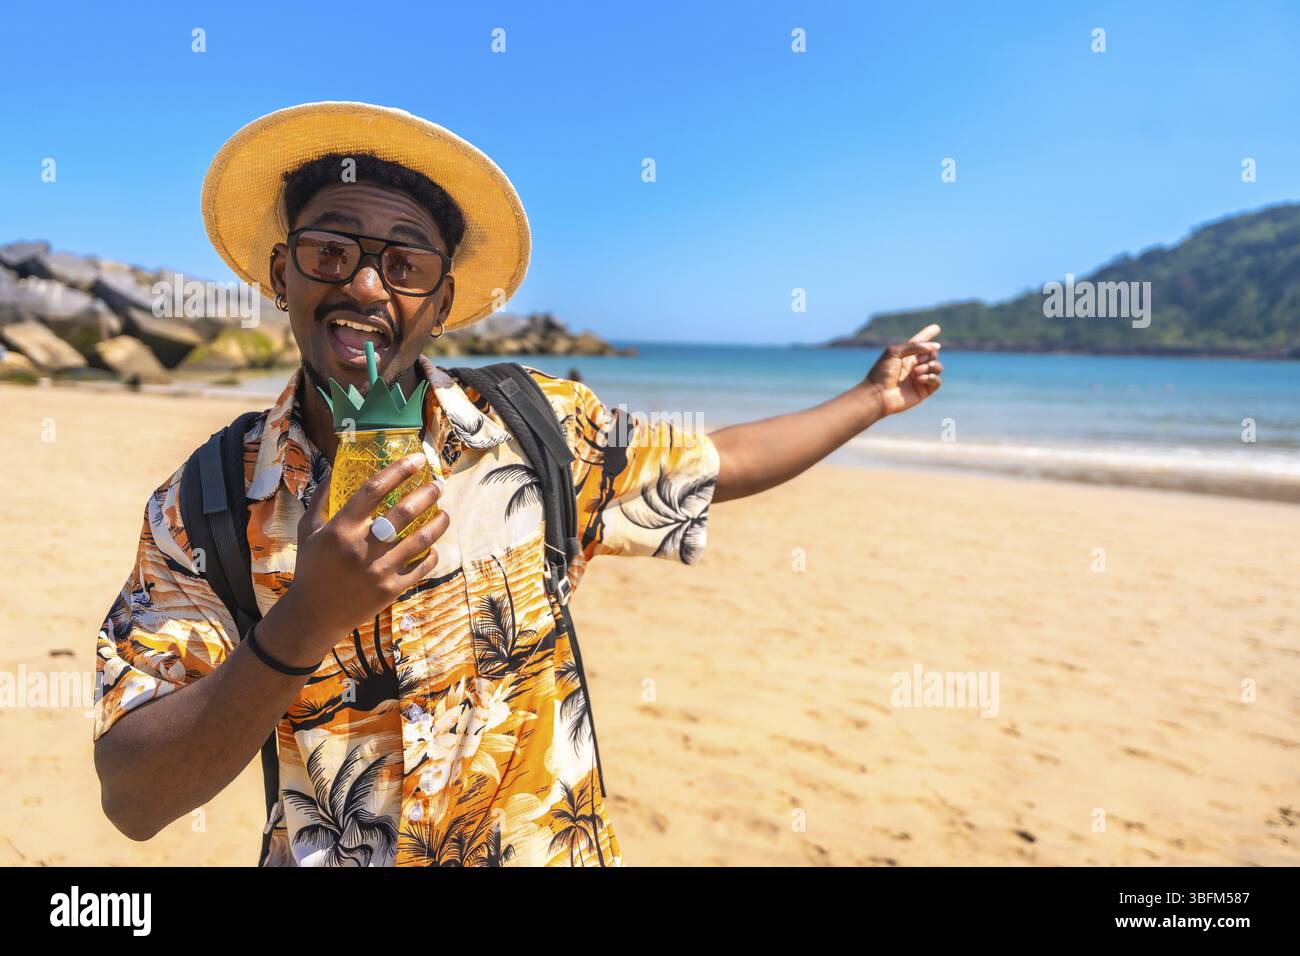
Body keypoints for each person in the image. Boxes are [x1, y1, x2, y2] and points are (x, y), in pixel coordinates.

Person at [92, 101, 943, 866]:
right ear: (281, 274)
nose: (363, 284)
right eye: (330, 250)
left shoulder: (540, 431)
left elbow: (713, 463)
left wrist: (871, 398)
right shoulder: (201, 504)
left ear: (442, 301)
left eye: (404, 264)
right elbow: (136, 799)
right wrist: (303, 619)